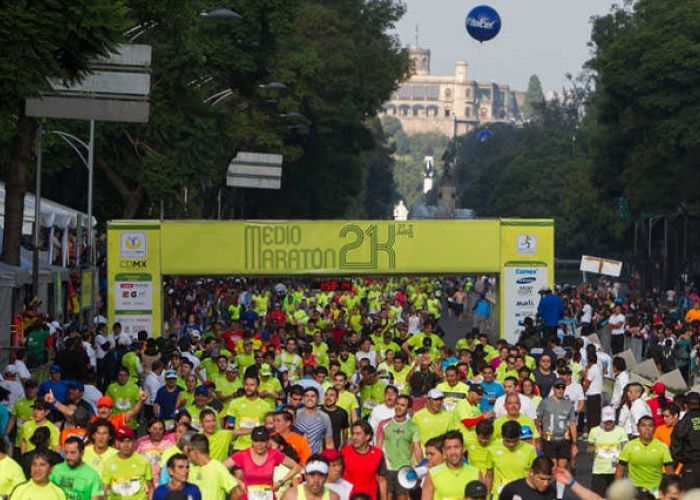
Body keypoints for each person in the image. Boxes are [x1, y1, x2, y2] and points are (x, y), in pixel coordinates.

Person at [224, 426, 301, 497]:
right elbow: (220, 468)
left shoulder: (274, 454)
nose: (259, 445)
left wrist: (280, 482)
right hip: (248, 496)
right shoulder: (243, 455)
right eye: (256, 441)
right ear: (251, 441)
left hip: (268, 496)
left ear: (267, 441)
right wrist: (239, 482)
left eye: (263, 441)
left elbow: (296, 467)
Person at [375, 394, 421, 500]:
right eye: (397, 404)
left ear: (408, 409)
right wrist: (377, 469)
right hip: (387, 469)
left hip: (405, 470)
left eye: (403, 405)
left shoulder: (413, 427)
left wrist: (420, 469)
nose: (398, 407)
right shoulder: (384, 424)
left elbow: (417, 449)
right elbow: (378, 447)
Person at [499, 455, 600, 500]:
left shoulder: (551, 490)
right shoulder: (512, 490)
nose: (546, 483)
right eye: (542, 479)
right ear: (531, 472)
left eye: (549, 479)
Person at [615, 416, 674, 492]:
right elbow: (620, 470)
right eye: (643, 425)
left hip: (655, 488)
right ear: (638, 429)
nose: (647, 429)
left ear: (654, 429)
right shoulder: (629, 446)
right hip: (635, 489)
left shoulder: (662, 447)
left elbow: (670, 472)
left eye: (650, 426)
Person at [421, 430, 481, 499]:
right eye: (448, 448)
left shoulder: (476, 473)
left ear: (463, 448)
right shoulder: (432, 474)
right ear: (444, 451)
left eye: (456, 447)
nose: (453, 452)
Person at [484, 421, 537, 495]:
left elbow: (534, 475)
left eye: (515, 441)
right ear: (502, 435)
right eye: (508, 441)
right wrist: (487, 496)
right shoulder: (492, 449)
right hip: (499, 495)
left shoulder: (529, 450)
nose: (511, 444)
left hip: (522, 495)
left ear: (519, 436)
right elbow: (489, 475)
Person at [102, 427, 154, 500]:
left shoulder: (143, 461)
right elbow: (104, 489)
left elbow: (151, 487)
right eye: (122, 441)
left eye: (128, 441)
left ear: (134, 442)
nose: (126, 445)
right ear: (117, 443)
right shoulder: (109, 462)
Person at [587, 406, 628, 496]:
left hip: (616, 471)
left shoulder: (621, 431)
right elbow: (590, 448)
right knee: (597, 496)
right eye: (606, 421)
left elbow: (626, 450)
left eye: (610, 421)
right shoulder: (594, 431)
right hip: (599, 470)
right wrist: (591, 450)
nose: (608, 423)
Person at [186, 434, 242, 499]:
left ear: (195, 451)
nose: (187, 454)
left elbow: (237, 492)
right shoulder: (190, 467)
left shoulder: (217, 467)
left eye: (188, 450)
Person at [341, 420, 387, 499]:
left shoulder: (378, 454)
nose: (354, 437)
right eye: (353, 434)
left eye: (358, 434)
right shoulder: (344, 452)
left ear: (367, 436)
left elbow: (382, 481)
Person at [225, 375, 273, 451]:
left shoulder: (266, 406)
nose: (248, 388)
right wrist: (231, 437)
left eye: (252, 385)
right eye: (246, 384)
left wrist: (245, 431)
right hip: (238, 446)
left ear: (258, 386)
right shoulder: (235, 403)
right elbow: (230, 424)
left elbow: (269, 427)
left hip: (258, 447)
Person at [536, 378, 577, 468]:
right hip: (549, 439)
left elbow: (572, 423)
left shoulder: (569, 404)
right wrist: (538, 438)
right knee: (552, 466)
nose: (560, 390)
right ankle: (553, 482)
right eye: (558, 387)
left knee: (562, 467)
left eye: (563, 388)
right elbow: (538, 420)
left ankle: (560, 482)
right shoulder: (545, 402)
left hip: (564, 439)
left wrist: (574, 443)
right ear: (554, 388)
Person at [671, 391, 700, 490]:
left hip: (691, 467)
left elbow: (675, 450)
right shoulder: (682, 423)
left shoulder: (682, 424)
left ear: (685, 405)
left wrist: (672, 471)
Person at [294, 387, 333, 453]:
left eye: (313, 396)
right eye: (307, 396)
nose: (309, 399)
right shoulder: (296, 414)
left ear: (317, 399)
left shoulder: (324, 417)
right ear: (303, 399)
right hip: (296, 457)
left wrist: (330, 459)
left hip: (316, 458)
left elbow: (329, 441)